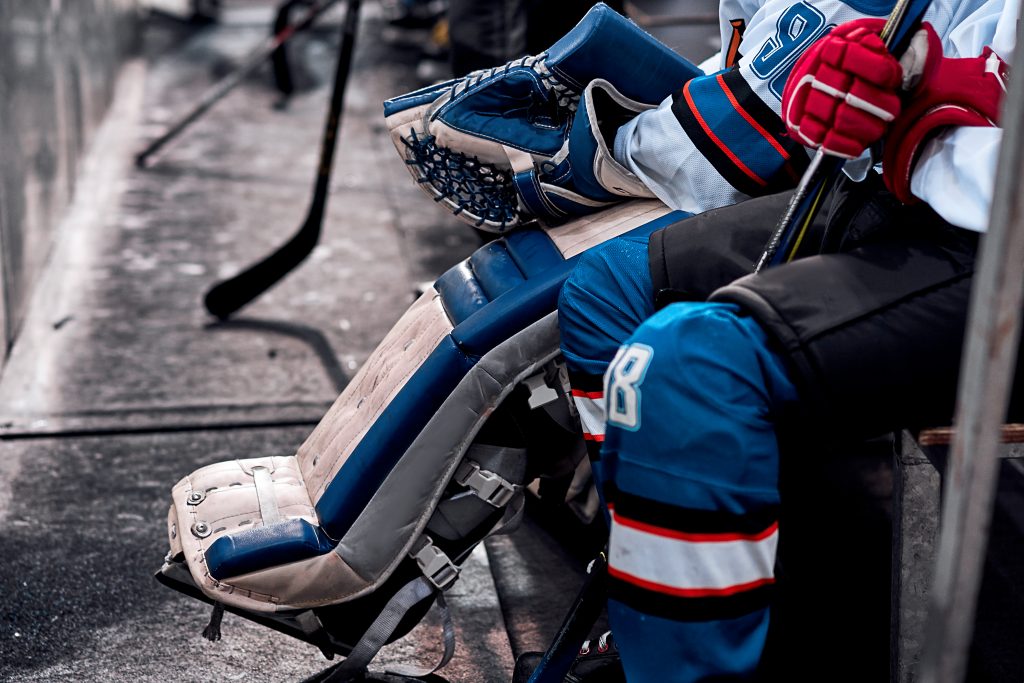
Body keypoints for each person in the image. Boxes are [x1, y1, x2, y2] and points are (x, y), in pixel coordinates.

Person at [555, 0, 1016, 679]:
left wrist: (951, 89)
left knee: (686, 371)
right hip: (908, 183)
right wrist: (885, 64)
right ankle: (687, 614)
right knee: (605, 294)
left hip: (996, 229)